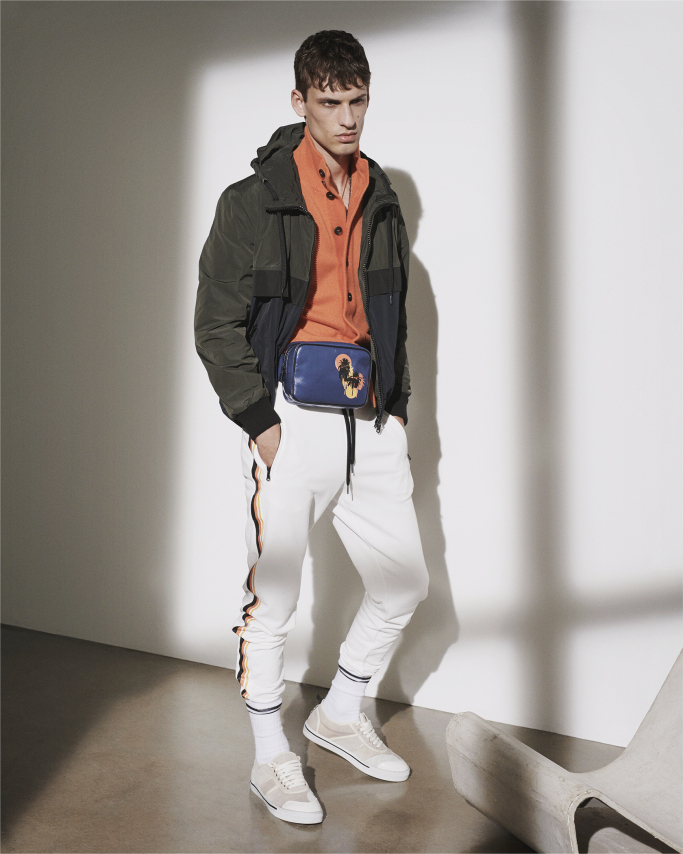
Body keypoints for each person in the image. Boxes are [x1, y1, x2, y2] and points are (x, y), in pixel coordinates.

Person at [195, 29, 429, 825]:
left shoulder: (382, 195)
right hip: (291, 419)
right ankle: (271, 757)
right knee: (274, 599)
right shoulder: (253, 200)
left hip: (371, 418)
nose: (347, 117)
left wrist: (397, 407)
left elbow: (394, 313)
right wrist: (259, 422)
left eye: (358, 100)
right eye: (330, 102)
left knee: (403, 583)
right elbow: (215, 322)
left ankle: (341, 712)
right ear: (299, 101)